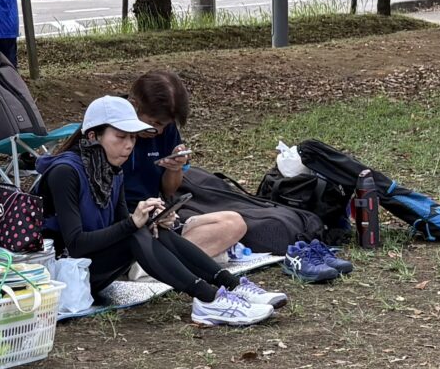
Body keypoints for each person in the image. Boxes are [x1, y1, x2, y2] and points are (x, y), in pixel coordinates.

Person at [35, 95, 281, 327]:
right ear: (92, 136)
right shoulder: (65, 172)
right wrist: (133, 223)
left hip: (87, 267)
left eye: (133, 138)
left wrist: (149, 220)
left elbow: (119, 223)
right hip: (59, 279)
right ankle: (208, 299)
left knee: (152, 230)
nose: (129, 145)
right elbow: (76, 244)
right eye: (120, 137)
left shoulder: (111, 169)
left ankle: (231, 285)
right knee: (134, 233)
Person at [124, 68, 250, 266]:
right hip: (125, 224)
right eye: (153, 123)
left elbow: (169, 191)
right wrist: (136, 219)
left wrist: (175, 168)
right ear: (134, 105)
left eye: (164, 125)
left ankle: (153, 262)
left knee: (234, 223)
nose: (158, 131)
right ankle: (155, 260)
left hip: (154, 219)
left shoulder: (165, 131)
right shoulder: (113, 133)